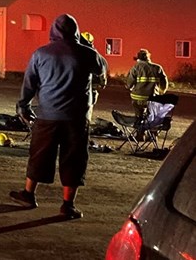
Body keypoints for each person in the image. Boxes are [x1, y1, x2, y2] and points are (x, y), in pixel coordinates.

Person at [9, 13, 107, 220]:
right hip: (77, 118)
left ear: (53, 31)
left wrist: (23, 106)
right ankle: (67, 205)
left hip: (47, 115)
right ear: (76, 31)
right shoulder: (87, 54)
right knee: (74, 159)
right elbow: (102, 68)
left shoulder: (41, 54)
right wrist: (88, 45)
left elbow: (29, 83)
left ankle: (28, 194)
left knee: (39, 155)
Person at [126, 48, 169, 119]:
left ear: (138, 59)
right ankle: (151, 124)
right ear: (148, 58)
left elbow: (129, 83)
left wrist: (129, 87)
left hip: (138, 97)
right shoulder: (158, 68)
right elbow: (164, 82)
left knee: (138, 112)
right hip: (152, 97)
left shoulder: (136, 67)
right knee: (152, 114)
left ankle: (139, 121)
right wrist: (161, 92)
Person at [79, 32, 108, 122]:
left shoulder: (74, 53)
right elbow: (102, 78)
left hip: (74, 92)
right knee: (85, 118)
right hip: (90, 92)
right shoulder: (96, 56)